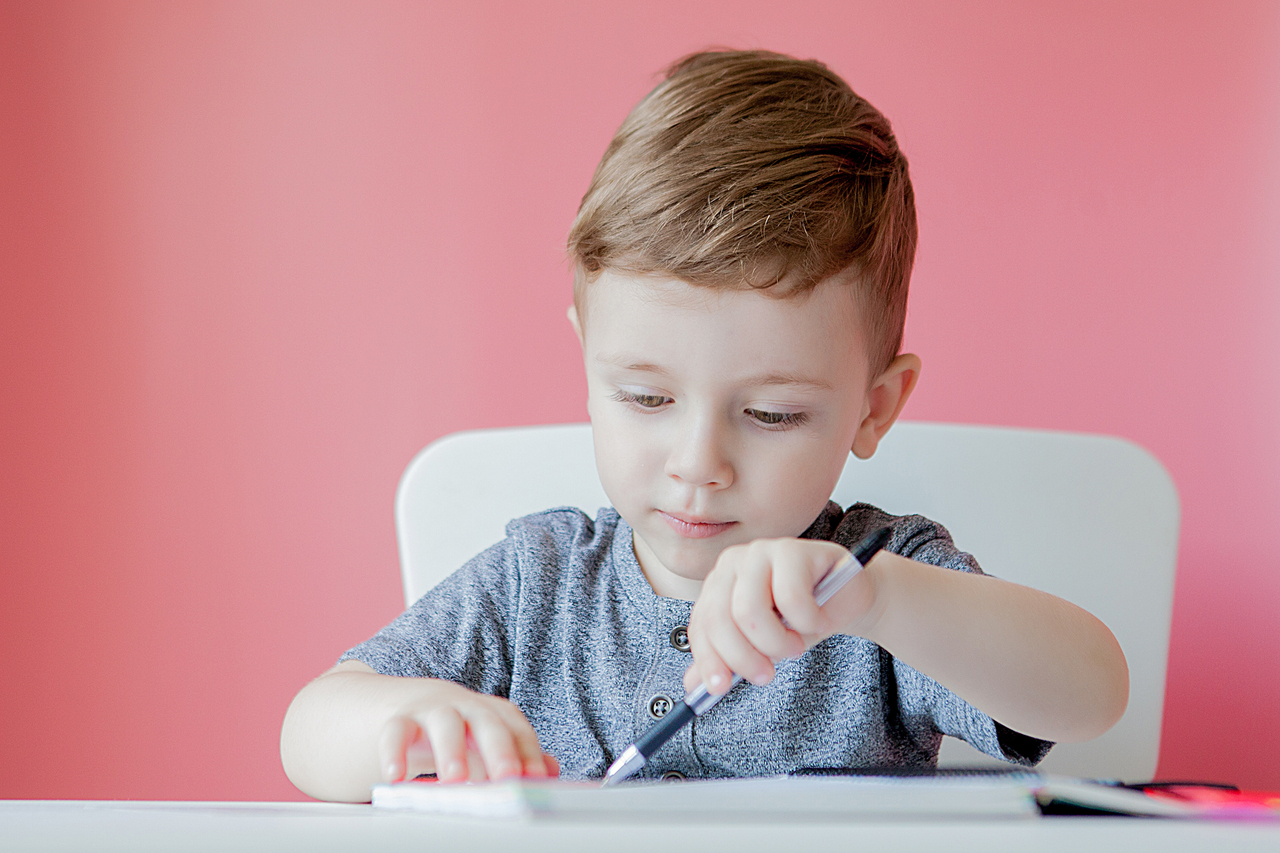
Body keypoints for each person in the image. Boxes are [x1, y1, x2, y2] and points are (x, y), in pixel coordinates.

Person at [280, 49, 1129, 803]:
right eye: (646, 399)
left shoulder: (879, 586)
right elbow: (310, 728)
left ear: (873, 408)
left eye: (771, 414)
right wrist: (413, 714)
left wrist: (881, 602)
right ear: (589, 366)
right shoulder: (534, 588)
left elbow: (1093, 692)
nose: (700, 464)